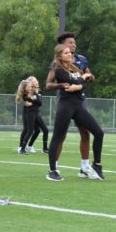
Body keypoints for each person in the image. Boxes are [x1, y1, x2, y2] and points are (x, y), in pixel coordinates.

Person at [46, 44, 104, 181]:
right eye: (66, 53)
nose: (70, 54)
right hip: (65, 105)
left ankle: (96, 164)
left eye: (70, 53)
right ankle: (52, 170)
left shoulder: (74, 67)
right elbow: (73, 80)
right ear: (60, 56)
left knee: (99, 133)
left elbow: (83, 82)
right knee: (58, 137)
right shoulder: (58, 68)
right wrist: (79, 81)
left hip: (78, 105)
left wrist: (79, 85)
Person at [22, 76, 49, 154]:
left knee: (44, 130)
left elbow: (40, 103)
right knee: (29, 130)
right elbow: (26, 100)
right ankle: (22, 148)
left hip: (36, 112)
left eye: (37, 81)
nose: (37, 82)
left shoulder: (37, 91)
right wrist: (33, 100)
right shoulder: (27, 91)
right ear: (30, 83)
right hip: (29, 113)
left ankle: (44, 148)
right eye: (35, 81)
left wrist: (33, 99)